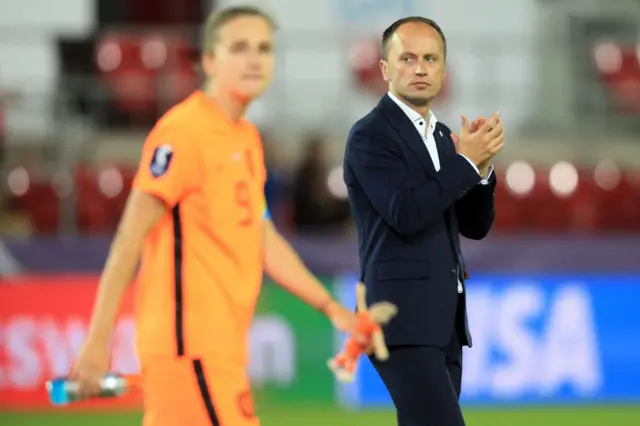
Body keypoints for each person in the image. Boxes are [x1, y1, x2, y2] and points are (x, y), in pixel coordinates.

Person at [71, 6, 360, 426]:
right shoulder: (184, 132)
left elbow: (263, 239)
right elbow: (128, 239)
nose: (254, 59)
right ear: (209, 61)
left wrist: (332, 307)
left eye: (264, 48)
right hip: (189, 348)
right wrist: (97, 343)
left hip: (222, 350)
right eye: (239, 47)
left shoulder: (247, 139)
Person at [343, 17, 504, 426]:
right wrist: (465, 162)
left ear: (444, 71)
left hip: (445, 320)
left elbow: (474, 226)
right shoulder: (370, 136)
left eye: (430, 58)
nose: (420, 68)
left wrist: (481, 172)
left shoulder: (443, 136)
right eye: (408, 58)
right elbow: (406, 212)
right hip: (401, 318)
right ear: (384, 69)